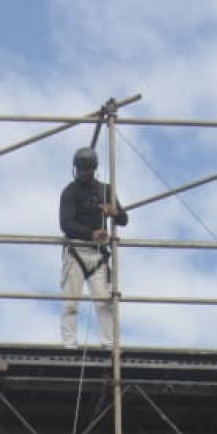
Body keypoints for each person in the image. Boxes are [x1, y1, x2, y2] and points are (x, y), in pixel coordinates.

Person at [58, 146, 128, 348]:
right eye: (80, 169)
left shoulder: (105, 190)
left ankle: (109, 343)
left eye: (86, 169)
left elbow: (124, 219)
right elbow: (66, 223)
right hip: (76, 251)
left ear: (93, 169)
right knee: (71, 303)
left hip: (98, 254)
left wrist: (113, 212)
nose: (82, 173)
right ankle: (69, 343)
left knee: (104, 301)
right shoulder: (70, 192)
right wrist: (90, 234)